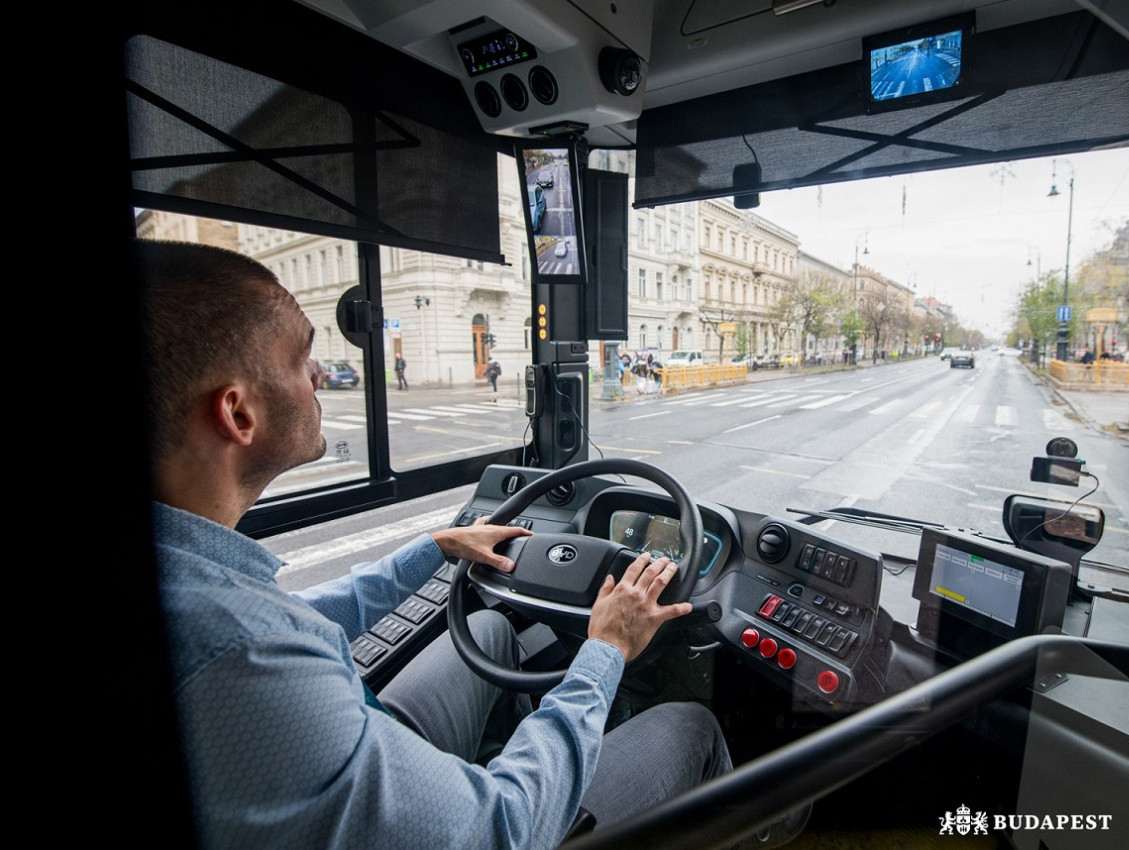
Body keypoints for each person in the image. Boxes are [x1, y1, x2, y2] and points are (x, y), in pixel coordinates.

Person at [139, 240, 733, 849]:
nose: (321, 375)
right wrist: (608, 648)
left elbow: (299, 620)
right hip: (489, 825)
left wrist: (436, 548)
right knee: (691, 726)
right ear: (238, 414)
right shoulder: (242, 657)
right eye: (301, 359)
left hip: (343, 751)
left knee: (494, 634)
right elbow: (502, 828)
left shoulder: (198, 585)